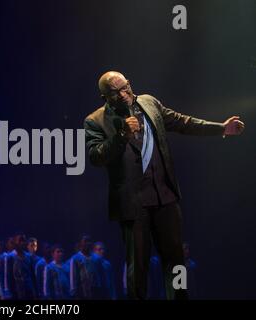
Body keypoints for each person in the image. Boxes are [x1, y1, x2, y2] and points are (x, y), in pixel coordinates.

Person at [84, 71, 245, 300]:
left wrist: (221, 128)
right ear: (105, 97)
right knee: (137, 268)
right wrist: (122, 135)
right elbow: (95, 157)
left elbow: (183, 123)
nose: (124, 93)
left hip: (165, 197)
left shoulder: (149, 103)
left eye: (126, 86)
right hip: (133, 204)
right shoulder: (95, 120)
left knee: (176, 262)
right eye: (116, 91)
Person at [4, 232, 37, 300]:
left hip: (29, 291)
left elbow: (32, 275)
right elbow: (8, 277)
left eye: (23, 241)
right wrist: (8, 293)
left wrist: (34, 291)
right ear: (15, 242)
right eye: (20, 240)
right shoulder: (10, 257)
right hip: (16, 292)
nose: (22, 243)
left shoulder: (29, 257)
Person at [69, 235, 103, 299]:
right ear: (80, 243)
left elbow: (100, 274)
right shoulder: (75, 258)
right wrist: (73, 292)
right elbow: (73, 277)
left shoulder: (96, 258)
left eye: (89, 241)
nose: (88, 243)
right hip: (82, 291)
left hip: (96, 290)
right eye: (85, 241)